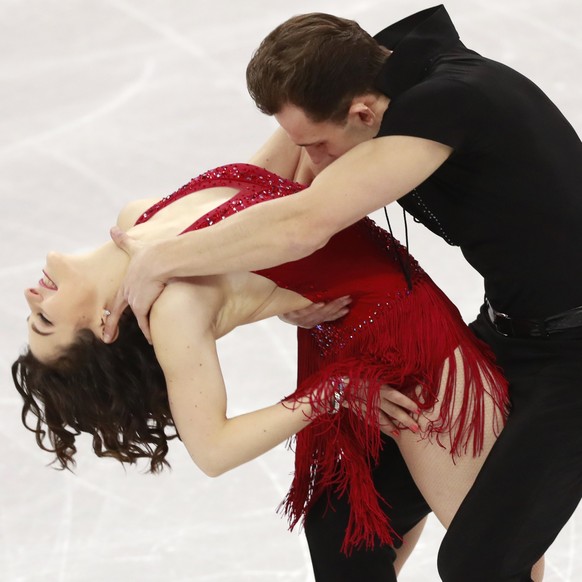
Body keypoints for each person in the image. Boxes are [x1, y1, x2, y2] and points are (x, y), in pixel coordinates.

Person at [101, 5, 582, 582]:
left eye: (321, 146)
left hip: (575, 357)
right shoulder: (363, 72)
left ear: (361, 112)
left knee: (480, 564)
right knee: (343, 518)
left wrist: (161, 260)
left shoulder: (449, 102)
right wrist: (175, 234)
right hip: (512, 328)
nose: (313, 162)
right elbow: (262, 189)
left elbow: (301, 221)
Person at [13, 152, 509, 580]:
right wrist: (332, 388)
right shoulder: (173, 307)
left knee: (492, 561)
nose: (32, 295)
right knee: (372, 550)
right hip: (375, 351)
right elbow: (213, 449)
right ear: (103, 325)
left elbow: (275, 180)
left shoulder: (142, 217)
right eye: (45, 321)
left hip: (399, 332)